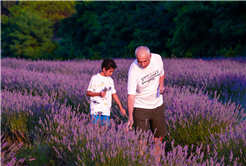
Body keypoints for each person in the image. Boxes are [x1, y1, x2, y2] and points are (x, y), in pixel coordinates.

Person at [127, 46, 168, 143]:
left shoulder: (157, 59)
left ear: (150, 56)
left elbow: (161, 74)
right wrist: (130, 117)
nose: (142, 64)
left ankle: (157, 158)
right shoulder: (133, 69)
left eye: (145, 61)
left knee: (159, 137)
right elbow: (131, 95)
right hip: (141, 106)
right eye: (139, 61)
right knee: (141, 139)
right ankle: (142, 158)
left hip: (157, 104)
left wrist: (161, 86)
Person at [87, 58, 126, 126]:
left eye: (112, 71)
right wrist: (99, 94)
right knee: (95, 130)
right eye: (110, 71)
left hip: (106, 110)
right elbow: (88, 93)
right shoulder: (95, 78)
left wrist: (121, 107)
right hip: (95, 110)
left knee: (104, 131)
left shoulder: (110, 80)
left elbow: (114, 94)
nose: (111, 73)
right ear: (104, 69)